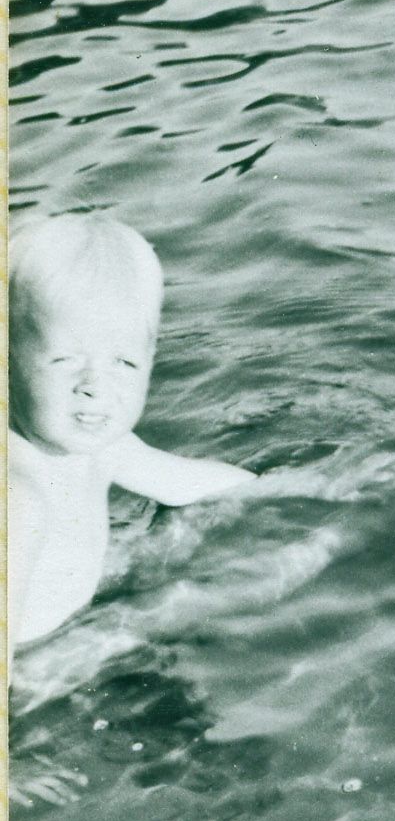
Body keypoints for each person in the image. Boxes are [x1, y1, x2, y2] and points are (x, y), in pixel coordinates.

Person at [9, 213, 260, 654]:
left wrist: (310, 486)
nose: (95, 386)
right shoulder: (18, 498)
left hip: (68, 639)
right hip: (35, 668)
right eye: (65, 360)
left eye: (123, 363)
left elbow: (188, 483)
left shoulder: (102, 448)